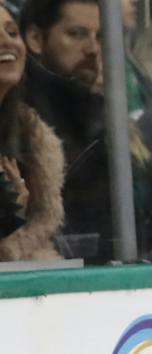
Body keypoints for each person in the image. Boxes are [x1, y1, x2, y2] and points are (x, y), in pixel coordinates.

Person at [19, 0, 107, 257]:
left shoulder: (96, 112)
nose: (93, 49)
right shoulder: (22, 122)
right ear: (35, 38)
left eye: (100, 36)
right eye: (77, 34)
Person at [0, 4, 65, 261]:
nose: (7, 43)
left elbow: (44, 220)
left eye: (12, 32)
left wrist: (15, 214)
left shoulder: (31, 130)